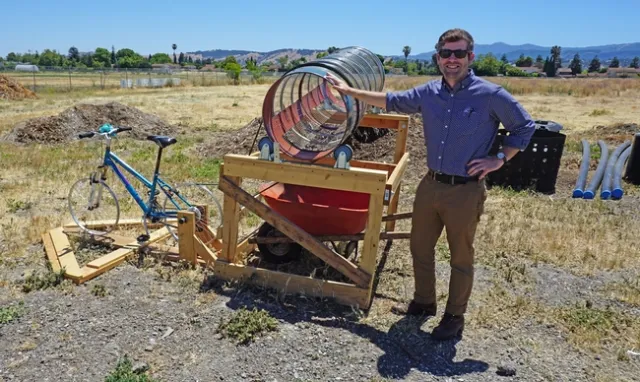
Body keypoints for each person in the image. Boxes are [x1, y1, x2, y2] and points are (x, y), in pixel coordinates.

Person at [325, 28, 536, 340]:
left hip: (465, 190)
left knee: (460, 256)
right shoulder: (428, 94)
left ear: (470, 57)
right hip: (430, 184)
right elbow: (390, 100)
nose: (452, 59)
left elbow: (524, 127)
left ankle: (454, 317)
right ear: (438, 57)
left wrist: (499, 159)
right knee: (419, 246)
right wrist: (349, 91)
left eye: (459, 53)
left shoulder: (491, 95)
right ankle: (424, 302)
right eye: (446, 54)